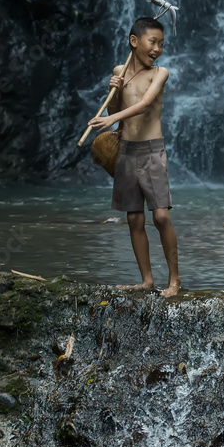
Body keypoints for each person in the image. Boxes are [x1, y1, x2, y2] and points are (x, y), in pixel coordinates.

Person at [88, 17, 181, 297]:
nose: (157, 49)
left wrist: (111, 117)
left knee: (161, 217)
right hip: (126, 151)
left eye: (161, 44)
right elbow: (117, 109)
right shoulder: (120, 70)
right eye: (153, 42)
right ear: (134, 41)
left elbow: (143, 105)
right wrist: (113, 89)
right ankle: (147, 280)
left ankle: (175, 280)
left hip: (152, 150)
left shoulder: (160, 73)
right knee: (134, 219)